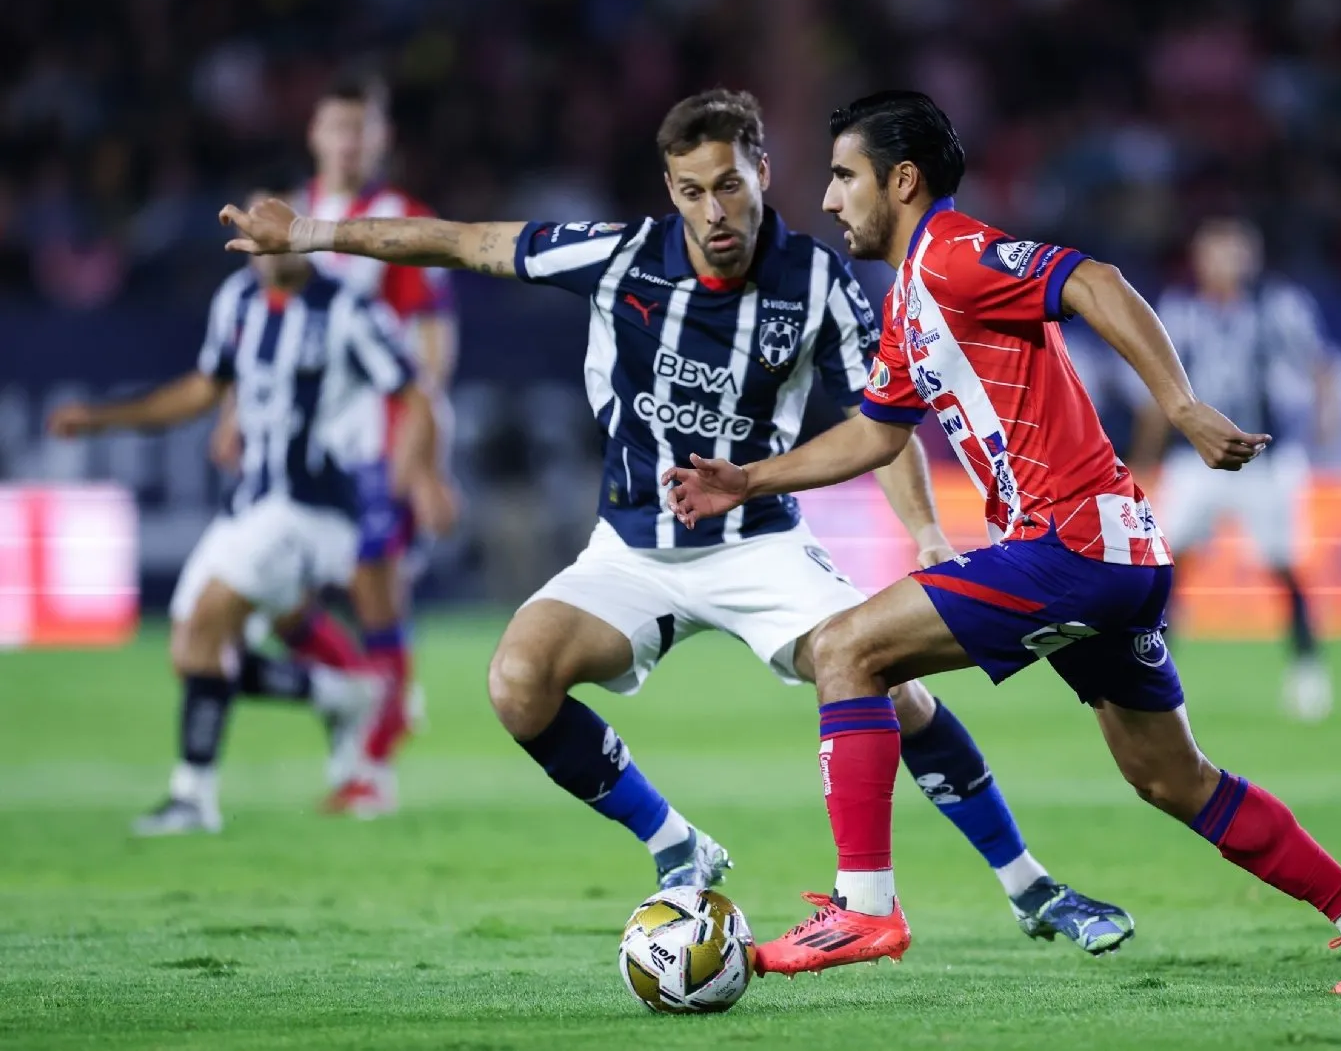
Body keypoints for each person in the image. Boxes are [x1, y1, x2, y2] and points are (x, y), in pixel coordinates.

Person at [218, 89, 1134, 952]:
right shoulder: (618, 256)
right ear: (671, 190)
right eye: (693, 191)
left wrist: (927, 533)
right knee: (517, 682)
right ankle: (676, 844)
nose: (715, 211)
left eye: (730, 185)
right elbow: (459, 242)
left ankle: (1032, 887)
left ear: (763, 172)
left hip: (760, 544)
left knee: (887, 682)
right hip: (630, 549)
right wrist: (305, 231)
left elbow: (881, 423)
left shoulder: (816, 281)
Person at [663, 90, 1341, 993]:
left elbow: (1096, 280)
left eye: (844, 176)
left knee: (845, 650)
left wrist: (1179, 407)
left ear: (901, 181)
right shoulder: (913, 297)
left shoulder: (953, 254)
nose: (829, 200)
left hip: (1073, 544)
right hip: (1112, 553)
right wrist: (750, 479)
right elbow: (877, 433)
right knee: (1169, 777)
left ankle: (864, 906)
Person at [48, 178, 446, 835]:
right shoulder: (236, 302)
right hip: (252, 503)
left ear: (297, 229)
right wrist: (99, 419)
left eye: (276, 226)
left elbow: (417, 393)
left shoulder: (347, 310)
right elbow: (204, 390)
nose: (264, 242)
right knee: (193, 651)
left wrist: (419, 475)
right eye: (254, 231)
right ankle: (341, 692)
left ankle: (193, 797)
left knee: (206, 625)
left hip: (314, 508)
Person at [213, 72, 461, 814]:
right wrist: (233, 411)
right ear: (316, 136)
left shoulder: (403, 217)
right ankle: (374, 693)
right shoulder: (288, 214)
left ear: (381, 137)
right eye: (337, 128)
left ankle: (370, 767)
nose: (349, 142)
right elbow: (260, 315)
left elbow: (430, 346)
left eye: (362, 128)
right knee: (281, 608)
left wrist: (421, 457)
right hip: (291, 449)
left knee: (375, 591)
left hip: (370, 443)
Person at [1131, 218, 1338, 720]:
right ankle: (1157, 671)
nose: (1223, 263)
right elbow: (1160, 391)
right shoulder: (1179, 310)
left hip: (1263, 456)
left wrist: (1325, 423)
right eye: (1214, 252)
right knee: (1165, 565)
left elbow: (1320, 366)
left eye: (1233, 252)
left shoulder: (1277, 306)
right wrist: (1144, 456)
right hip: (1196, 459)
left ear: (1251, 257)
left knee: (1284, 564)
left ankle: (1307, 667)